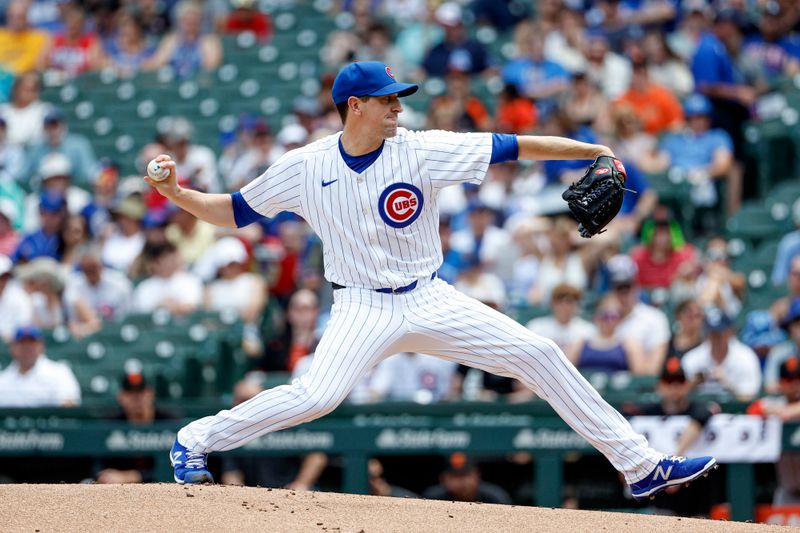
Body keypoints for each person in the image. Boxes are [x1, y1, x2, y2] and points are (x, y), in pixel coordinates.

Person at [153, 60, 717, 498]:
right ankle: (194, 441)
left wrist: (592, 149)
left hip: (428, 298)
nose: (399, 106)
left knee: (539, 353)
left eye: (399, 97)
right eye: (388, 99)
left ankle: (640, 466)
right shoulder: (305, 166)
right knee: (316, 396)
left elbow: (514, 146)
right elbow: (233, 211)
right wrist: (178, 194)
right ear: (355, 106)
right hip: (361, 307)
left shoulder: (422, 150)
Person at [623, 357, 720, 517]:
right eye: (669, 382)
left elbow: (708, 412)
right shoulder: (648, 412)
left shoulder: (698, 408)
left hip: (696, 499)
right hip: (661, 502)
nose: (674, 387)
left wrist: (673, 466)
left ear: (687, 385)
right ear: (659, 386)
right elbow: (626, 413)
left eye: (680, 381)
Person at [220, 378, 328, 490]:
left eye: (250, 400)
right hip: (255, 496)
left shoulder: (286, 421)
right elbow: (231, 473)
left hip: (290, 494)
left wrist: (301, 484)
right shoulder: (235, 431)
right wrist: (241, 494)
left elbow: (316, 457)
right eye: (240, 401)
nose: (245, 406)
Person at [94, 370, 180, 484]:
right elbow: (98, 469)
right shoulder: (110, 423)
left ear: (150, 393)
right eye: (130, 392)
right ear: (121, 397)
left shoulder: (169, 421)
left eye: (141, 391)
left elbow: (176, 468)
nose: (136, 397)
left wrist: (134, 476)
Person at [681, 307, 762, 401]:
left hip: (735, 413)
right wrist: (692, 384)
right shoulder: (692, 358)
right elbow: (674, 397)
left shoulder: (746, 357)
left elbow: (750, 398)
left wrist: (728, 384)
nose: (715, 337)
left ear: (730, 332)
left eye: (719, 333)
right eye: (712, 332)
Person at [0, 325, 81, 407]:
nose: (27, 348)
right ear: (12, 347)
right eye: (22, 343)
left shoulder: (59, 372)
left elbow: (69, 406)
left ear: (41, 346)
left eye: (32, 343)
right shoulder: (3, 379)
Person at [567, 294, 649, 375]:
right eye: (605, 315)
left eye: (613, 316)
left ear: (619, 318)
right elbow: (566, 369)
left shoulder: (629, 343)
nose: (609, 321)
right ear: (597, 316)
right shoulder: (581, 342)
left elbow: (640, 375)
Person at [526, 283, 595, 353]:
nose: (564, 306)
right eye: (559, 302)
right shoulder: (536, 327)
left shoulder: (587, 330)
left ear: (576, 305)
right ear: (552, 303)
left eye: (569, 302)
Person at [422, 453, 512, 504]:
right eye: (455, 476)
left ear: (477, 475)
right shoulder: (432, 498)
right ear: (443, 479)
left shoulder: (494, 498)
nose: (462, 481)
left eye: (466, 475)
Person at [0, 254, 33, 342]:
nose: (3, 281)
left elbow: (23, 329)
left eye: (5, 277)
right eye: (1, 277)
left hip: (13, 348)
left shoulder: (19, 298)